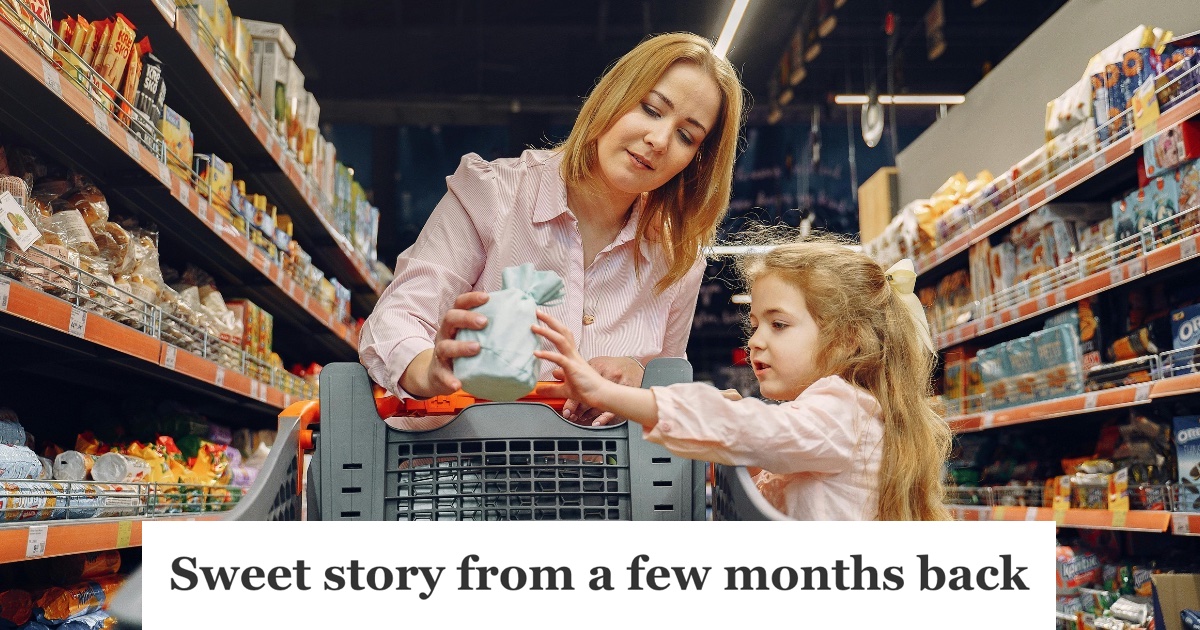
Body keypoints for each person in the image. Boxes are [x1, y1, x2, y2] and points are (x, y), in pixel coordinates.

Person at [359, 32, 745, 427]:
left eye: (686, 135)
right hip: (461, 473)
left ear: (697, 160)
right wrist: (428, 369)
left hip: (598, 483)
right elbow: (397, 318)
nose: (659, 140)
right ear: (614, 95)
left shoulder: (678, 254)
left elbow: (666, 378)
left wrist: (642, 383)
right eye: (650, 108)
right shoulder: (493, 195)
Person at [531, 237, 953, 520]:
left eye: (779, 325)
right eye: (754, 325)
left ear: (844, 339)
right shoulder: (844, 412)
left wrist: (602, 392)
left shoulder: (843, 407)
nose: (756, 342)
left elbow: (744, 428)